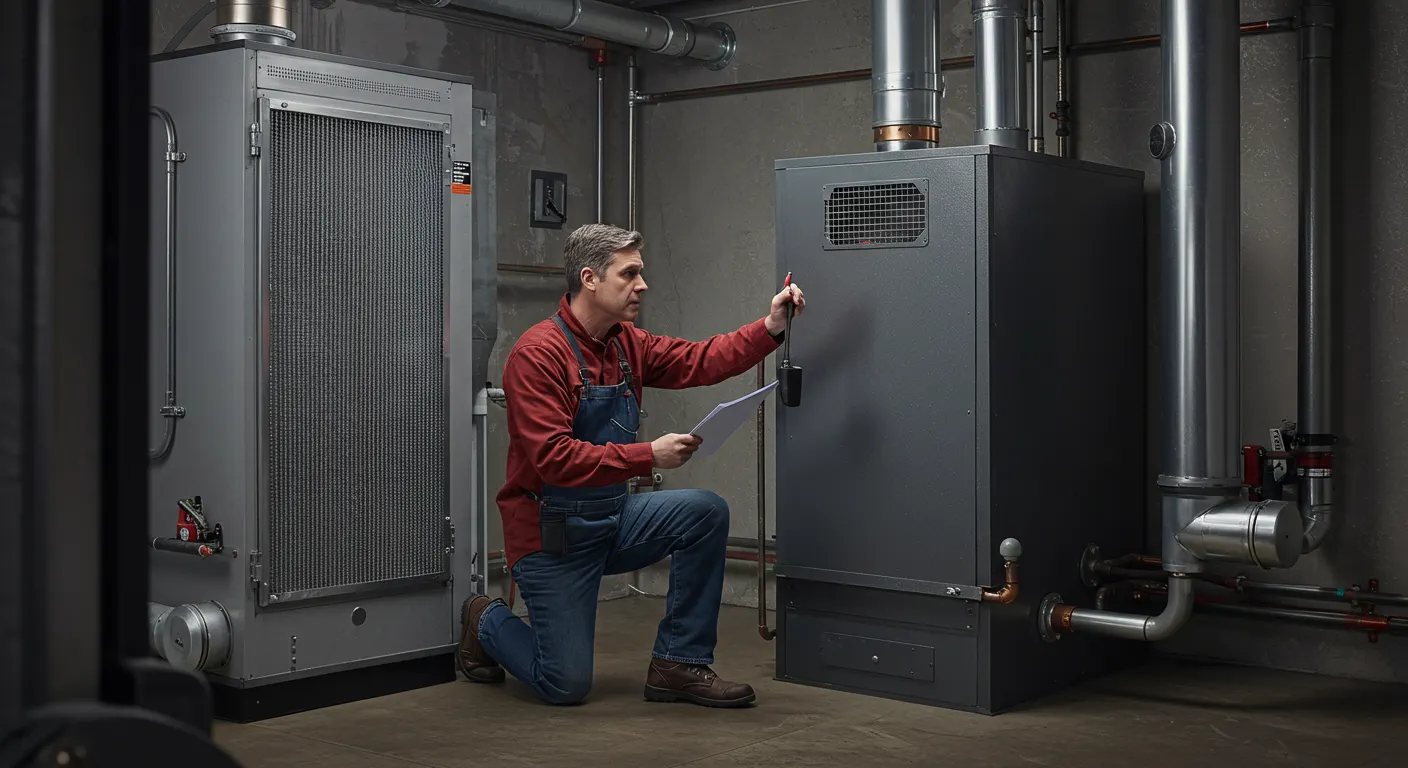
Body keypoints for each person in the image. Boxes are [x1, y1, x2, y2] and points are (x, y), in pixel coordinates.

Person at [456, 223, 806, 708]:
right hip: (553, 539)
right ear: (590, 279)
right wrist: (648, 456)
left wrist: (770, 327)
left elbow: (699, 360)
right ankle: (484, 617)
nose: (642, 285)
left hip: (611, 519)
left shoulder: (625, 344)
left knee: (704, 513)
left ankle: (678, 664)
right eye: (629, 274)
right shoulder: (538, 355)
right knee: (564, 684)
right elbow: (554, 459)